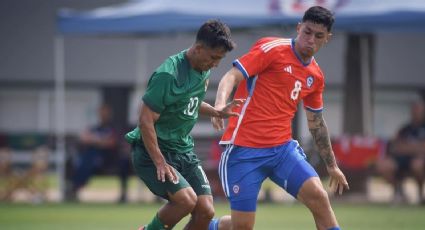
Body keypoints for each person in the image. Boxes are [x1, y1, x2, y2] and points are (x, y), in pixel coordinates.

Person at [211, 6, 349, 230]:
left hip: (282, 151)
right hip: (244, 151)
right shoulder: (272, 49)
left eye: (318, 36)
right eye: (307, 32)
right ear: (298, 28)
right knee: (243, 226)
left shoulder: (315, 76)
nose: (310, 40)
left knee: (319, 198)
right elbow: (231, 75)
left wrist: (332, 166)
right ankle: (209, 226)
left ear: (327, 39)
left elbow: (316, 123)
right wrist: (219, 104)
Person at [125, 19, 240, 230]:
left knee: (206, 211)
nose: (215, 64)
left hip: (183, 152)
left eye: (220, 59)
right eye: (214, 58)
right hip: (153, 153)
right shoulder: (168, 75)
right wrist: (160, 161)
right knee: (186, 200)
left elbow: (189, 101)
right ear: (198, 48)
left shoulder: (203, 69)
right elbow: (145, 120)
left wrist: (215, 111)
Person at [376, 99, 425, 204]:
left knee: (417, 165)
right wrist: (415, 147)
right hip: (402, 158)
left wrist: (408, 147)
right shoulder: (405, 128)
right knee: (383, 166)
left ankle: (420, 195)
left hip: (419, 159)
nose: (415, 112)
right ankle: (399, 192)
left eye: (418, 110)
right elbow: (396, 146)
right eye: (413, 110)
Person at [70, 104, 118, 200]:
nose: (102, 115)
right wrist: (100, 141)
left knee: (89, 159)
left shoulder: (113, 127)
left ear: (109, 114)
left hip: (107, 159)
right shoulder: (95, 127)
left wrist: (95, 140)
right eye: (101, 113)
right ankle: (75, 187)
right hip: (91, 157)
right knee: (82, 160)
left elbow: (111, 143)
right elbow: (84, 138)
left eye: (105, 113)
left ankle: (76, 187)